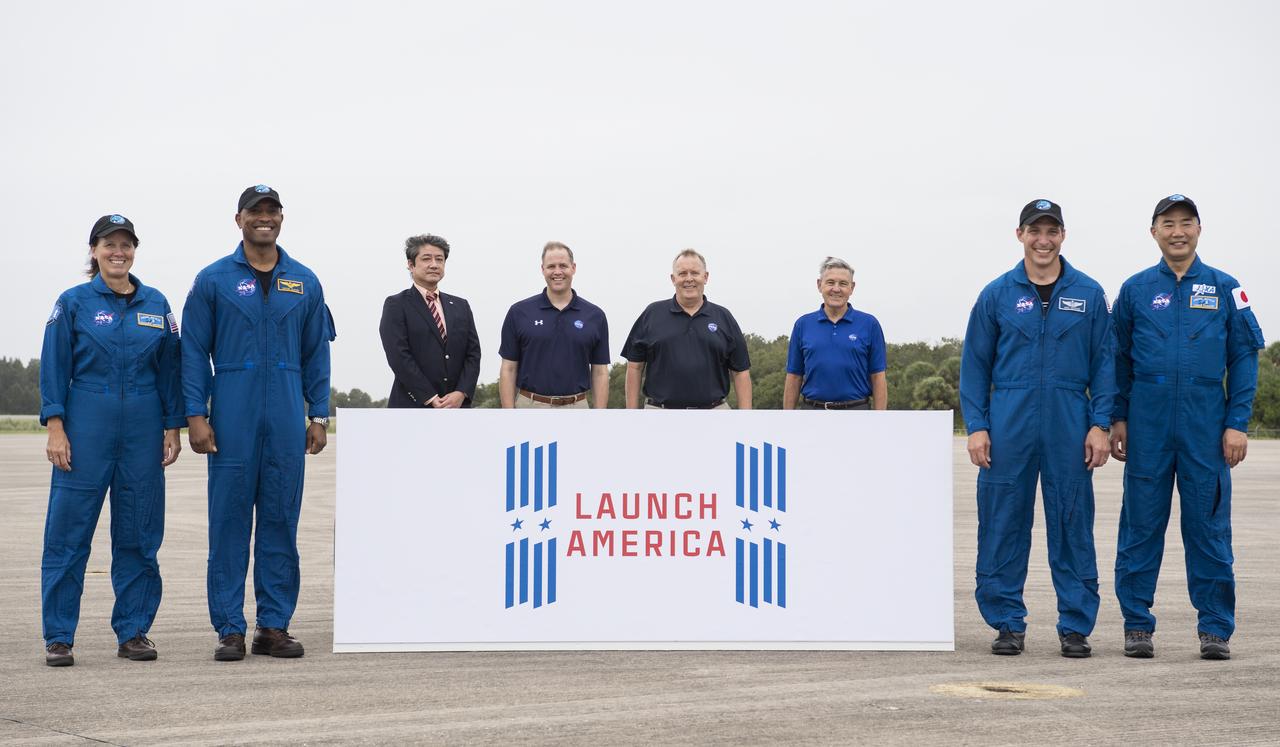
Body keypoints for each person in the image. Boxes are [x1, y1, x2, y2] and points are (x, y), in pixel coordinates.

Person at [181, 185, 335, 661]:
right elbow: (191, 352)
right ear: (239, 219)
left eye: (271, 212)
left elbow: (317, 353)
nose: (263, 219)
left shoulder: (304, 282)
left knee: (280, 522)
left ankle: (273, 626)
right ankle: (229, 628)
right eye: (255, 212)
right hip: (231, 414)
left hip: (288, 414)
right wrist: (195, 414)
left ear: (282, 219)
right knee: (227, 524)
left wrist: (318, 414)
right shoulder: (213, 280)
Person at [1109, 194, 1266, 661]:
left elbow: (1244, 358)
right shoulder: (1135, 290)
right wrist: (1118, 416)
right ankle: (1137, 625)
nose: (1177, 231)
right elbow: (1116, 360)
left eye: (1186, 223)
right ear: (1153, 231)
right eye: (1167, 223)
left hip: (1205, 426)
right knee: (1140, 529)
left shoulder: (1226, 287)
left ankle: (1215, 629)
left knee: (1209, 529)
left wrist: (1237, 423)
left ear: (1199, 229)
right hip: (1148, 426)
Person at [959, 198, 1115, 658]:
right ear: (1020, 235)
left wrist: (1100, 422)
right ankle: (1007, 622)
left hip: (1070, 421)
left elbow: (1105, 364)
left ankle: (1075, 625)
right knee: (1003, 521)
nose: (1043, 240)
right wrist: (978, 425)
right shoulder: (997, 294)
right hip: (1009, 421)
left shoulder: (1088, 294)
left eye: (1051, 231)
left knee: (1072, 523)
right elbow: (975, 366)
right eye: (1034, 231)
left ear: (1063, 235)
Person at [38, 214, 183, 666]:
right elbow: (54, 366)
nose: (118, 252)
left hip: (143, 427)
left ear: (134, 250)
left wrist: (172, 426)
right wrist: (56, 426)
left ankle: (134, 631)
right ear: (94, 251)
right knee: (68, 535)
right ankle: (59, 636)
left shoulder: (157, 304)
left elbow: (171, 371)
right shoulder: (74, 302)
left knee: (139, 535)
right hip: (85, 425)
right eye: (109, 244)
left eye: (126, 244)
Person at [622, 249, 751, 409]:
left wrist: (747, 418)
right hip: (659, 416)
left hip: (715, 415)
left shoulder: (724, 317)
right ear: (673, 278)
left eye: (695, 273)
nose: (689, 279)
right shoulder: (652, 314)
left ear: (705, 277)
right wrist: (631, 415)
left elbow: (740, 372)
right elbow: (634, 366)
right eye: (682, 273)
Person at [498, 242, 610, 408]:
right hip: (529, 407)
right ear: (542, 269)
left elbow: (600, 372)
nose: (557, 272)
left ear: (573, 268)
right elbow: (508, 369)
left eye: (563, 266)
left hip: (578, 408)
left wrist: (599, 416)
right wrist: (509, 414)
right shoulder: (519, 312)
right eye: (551, 266)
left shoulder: (595, 316)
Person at [379, 234, 481, 408]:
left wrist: (461, 392)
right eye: (426, 259)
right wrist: (430, 396)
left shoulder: (460, 306)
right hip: (412, 406)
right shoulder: (396, 304)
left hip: (456, 407)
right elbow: (398, 356)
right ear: (411, 265)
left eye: (439, 259)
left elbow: (473, 354)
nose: (434, 264)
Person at [783, 257, 888, 410]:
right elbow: (794, 376)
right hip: (812, 413)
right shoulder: (802, 325)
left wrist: (880, 420)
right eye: (830, 282)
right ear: (819, 285)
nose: (836, 289)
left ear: (852, 287)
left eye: (843, 284)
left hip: (857, 413)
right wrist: (787, 418)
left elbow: (878, 377)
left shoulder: (869, 324)